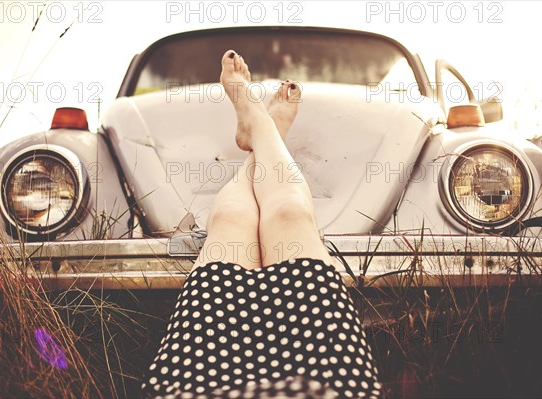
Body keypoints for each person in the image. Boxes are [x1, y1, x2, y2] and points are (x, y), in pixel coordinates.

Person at [142, 50, 383, 399]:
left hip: (203, 380)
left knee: (230, 219)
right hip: (321, 379)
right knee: (290, 214)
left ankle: (259, 130)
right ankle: (264, 132)